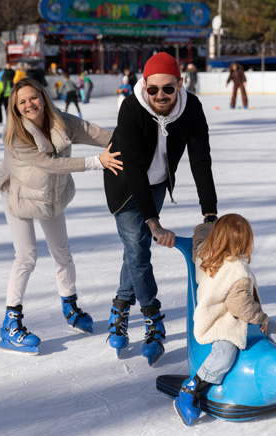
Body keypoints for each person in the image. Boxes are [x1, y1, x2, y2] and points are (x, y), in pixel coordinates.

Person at [0, 78, 123, 355]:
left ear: (43, 97)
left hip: (50, 195)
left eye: (33, 98)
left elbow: (95, 133)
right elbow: (50, 164)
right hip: (18, 194)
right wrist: (97, 162)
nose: (29, 105)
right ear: (15, 108)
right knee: (26, 256)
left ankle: (69, 305)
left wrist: (131, 137)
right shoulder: (15, 135)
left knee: (62, 251)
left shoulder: (61, 121)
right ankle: (10, 325)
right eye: (22, 102)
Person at [103, 52, 217, 365]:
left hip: (156, 184)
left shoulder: (190, 107)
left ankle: (121, 304)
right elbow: (135, 169)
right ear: (144, 85)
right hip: (125, 185)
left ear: (180, 84)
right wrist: (154, 223)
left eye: (168, 88)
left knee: (134, 249)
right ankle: (153, 317)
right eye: (153, 89)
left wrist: (210, 213)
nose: (160, 95)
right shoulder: (131, 108)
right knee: (139, 249)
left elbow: (200, 159)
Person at [174, 214, 276, 426]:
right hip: (222, 319)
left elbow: (200, 238)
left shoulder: (204, 249)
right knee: (227, 350)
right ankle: (192, 388)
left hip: (227, 313)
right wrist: (261, 318)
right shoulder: (237, 270)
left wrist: (206, 225)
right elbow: (239, 306)